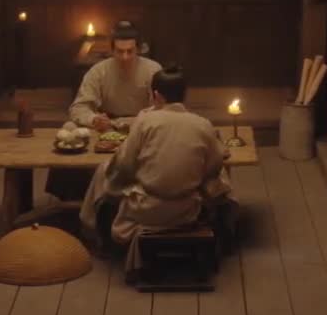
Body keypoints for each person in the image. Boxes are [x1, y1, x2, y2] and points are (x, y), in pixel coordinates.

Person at [79, 63, 235, 252]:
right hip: (187, 208)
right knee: (217, 181)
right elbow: (215, 164)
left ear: (156, 95)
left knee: (106, 174)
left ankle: (100, 237)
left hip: (146, 208)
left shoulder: (145, 121)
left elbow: (124, 163)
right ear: (184, 95)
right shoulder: (203, 124)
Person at [47, 20, 162, 202]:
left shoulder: (153, 70)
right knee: (70, 132)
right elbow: (78, 107)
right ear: (111, 50)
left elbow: (160, 109)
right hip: (106, 128)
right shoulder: (99, 71)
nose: (125, 57)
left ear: (139, 49)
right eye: (120, 51)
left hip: (141, 127)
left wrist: (135, 122)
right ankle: (72, 201)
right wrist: (93, 119)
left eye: (130, 51)